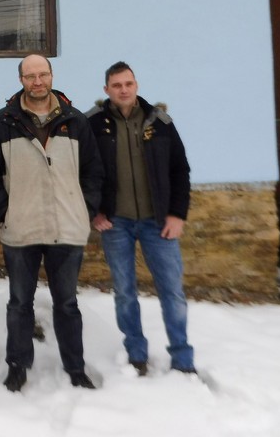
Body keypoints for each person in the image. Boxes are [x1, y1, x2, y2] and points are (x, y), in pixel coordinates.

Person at [0, 54, 103, 393]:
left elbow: (94, 171)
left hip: (67, 227)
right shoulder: (3, 121)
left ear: (51, 76)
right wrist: (6, 211)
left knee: (67, 304)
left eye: (42, 74)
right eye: (30, 76)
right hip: (22, 229)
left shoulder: (75, 121)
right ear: (21, 80)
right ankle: (17, 366)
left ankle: (75, 368)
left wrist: (84, 209)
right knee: (20, 303)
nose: (37, 81)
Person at [86, 61, 195, 376]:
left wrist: (177, 214)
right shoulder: (92, 124)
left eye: (128, 84)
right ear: (106, 89)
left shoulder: (159, 122)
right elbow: (82, 172)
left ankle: (182, 358)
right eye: (116, 85)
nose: (123, 90)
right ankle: (136, 353)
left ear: (136, 85)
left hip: (158, 222)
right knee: (124, 292)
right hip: (116, 223)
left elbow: (180, 170)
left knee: (172, 291)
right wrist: (94, 212)